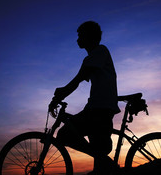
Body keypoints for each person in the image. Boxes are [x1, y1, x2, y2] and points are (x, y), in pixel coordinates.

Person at [49, 21, 120, 175]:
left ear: (89, 36)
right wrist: (62, 92)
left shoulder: (100, 51)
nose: (78, 39)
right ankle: (104, 162)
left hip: (99, 109)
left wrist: (61, 93)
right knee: (99, 159)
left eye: (80, 35)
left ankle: (106, 162)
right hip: (97, 108)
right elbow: (77, 81)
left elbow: (78, 79)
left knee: (64, 134)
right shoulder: (91, 58)